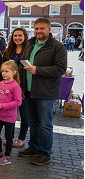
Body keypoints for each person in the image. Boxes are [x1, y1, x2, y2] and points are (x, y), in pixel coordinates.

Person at [18, 17, 67, 166]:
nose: (39, 31)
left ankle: (45, 154)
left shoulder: (57, 47)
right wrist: (21, 87)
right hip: (29, 90)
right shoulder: (30, 44)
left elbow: (61, 68)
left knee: (45, 124)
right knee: (33, 122)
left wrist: (37, 70)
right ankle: (34, 147)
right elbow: (22, 66)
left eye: (42, 28)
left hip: (46, 92)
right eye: (36, 28)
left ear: (49, 29)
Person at [0, 61, 22, 165]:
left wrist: (2, 106)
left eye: (6, 71)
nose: (3, 73)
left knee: (8, 136)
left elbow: (18, 102)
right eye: (2, 71)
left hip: (10, 117)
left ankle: (7, 157)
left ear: (14, 72)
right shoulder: (1, 83)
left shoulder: (15, 86)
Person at [2, 27, 29, 148]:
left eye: (20, 35)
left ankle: (21, 138)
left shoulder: (29, 50)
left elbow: (27, 72)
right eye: (15, 36)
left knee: (24, 115)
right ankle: (10, 137)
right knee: (10, 114)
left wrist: (22, 89)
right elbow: (3, 69)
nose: (17, 38)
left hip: (23, 87)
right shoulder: (8, 51)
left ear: (25, 36)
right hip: (9, 88)